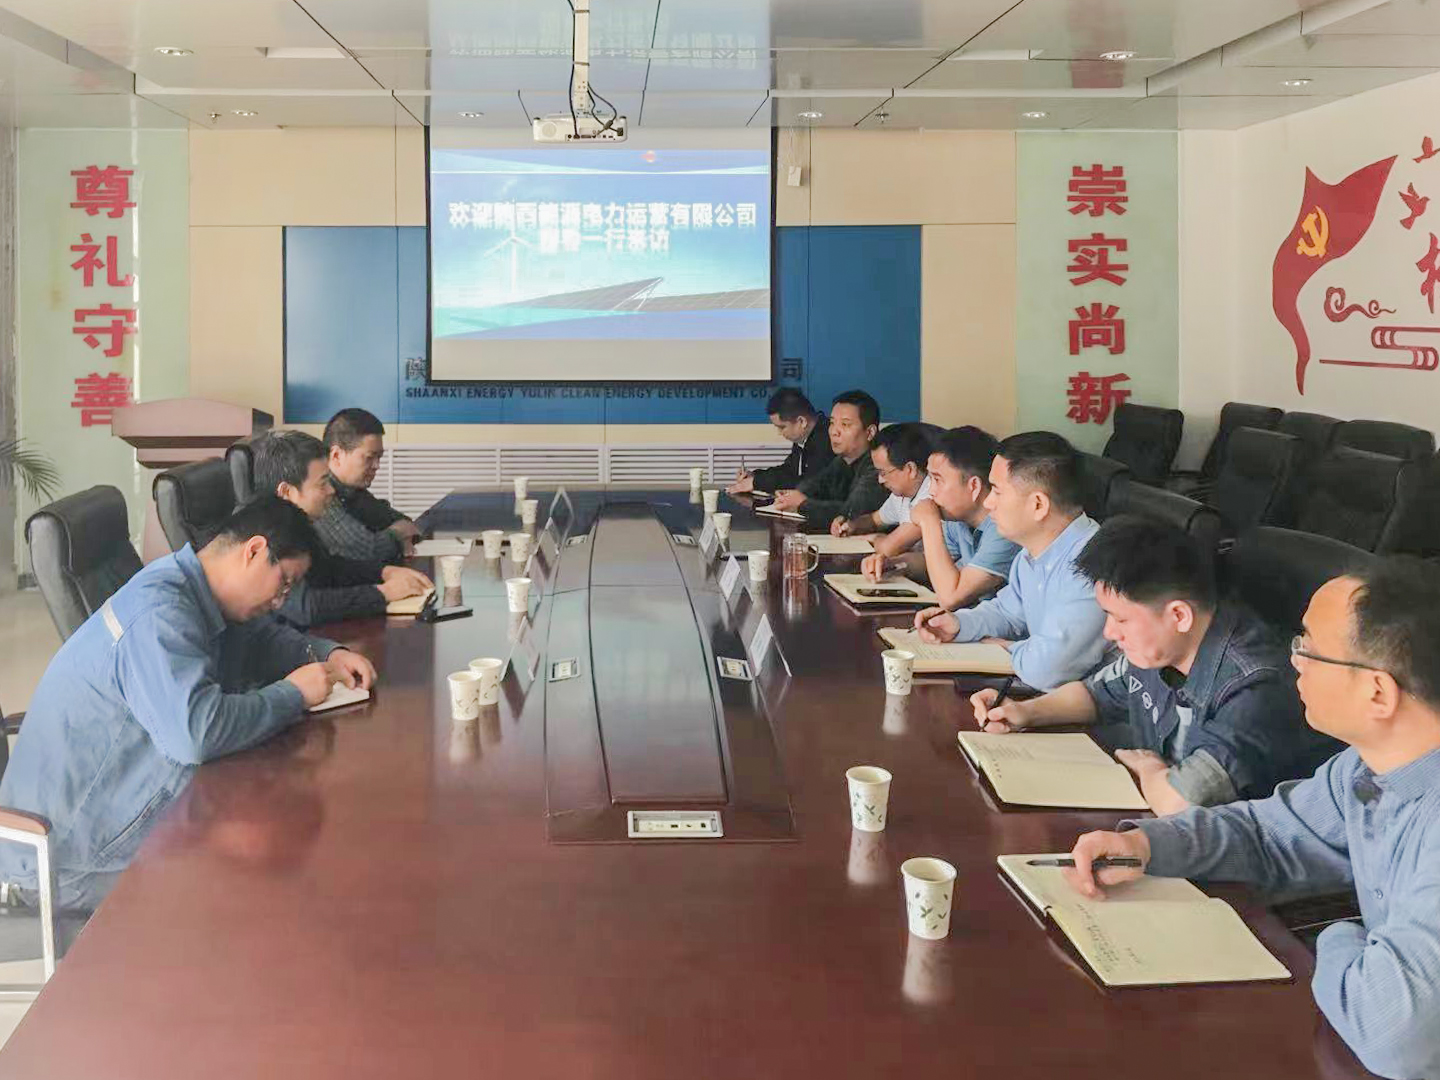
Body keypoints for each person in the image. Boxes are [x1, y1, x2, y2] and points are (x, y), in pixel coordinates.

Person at [1062, 558, 1440, 1080]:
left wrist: (1341, 934)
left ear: (1378, 692)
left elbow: (1392, 1036)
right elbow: (1269, 833)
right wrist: (1148, 846)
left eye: (1307, 648)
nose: (1294, 662)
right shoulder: (1362, 766)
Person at [0, 497, 376, 913]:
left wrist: (324, 653)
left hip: (125, 816)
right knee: (258, 891)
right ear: (253, 550)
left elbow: (260, 639)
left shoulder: (197, 590)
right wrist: (294, 694)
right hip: (66, 859)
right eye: (284, 583)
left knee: (273, 849)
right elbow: (196, 733)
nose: (281, 601)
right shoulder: (160, 613)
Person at [969, 515, 1339, 814]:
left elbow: (1181, 802)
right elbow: (1098, 695)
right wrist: (1025, 712)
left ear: (1178, 615)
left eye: (1121, 619)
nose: (1110, 632)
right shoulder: (1160, 644)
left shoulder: (1253, 686)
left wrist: (1149, 769)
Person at [913, 431, 1105, 690]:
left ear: (1038, 505)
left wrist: (1005, 647)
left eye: (996, 491)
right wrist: (958, 625)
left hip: (1090, 711)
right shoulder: (1030, 553)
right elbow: (1007, 613)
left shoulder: (1093, 563)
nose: (988, 502)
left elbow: (1047, 669)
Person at [253, 430, 431, 627]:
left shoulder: (295, 523)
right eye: (322, 483)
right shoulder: (265, 536)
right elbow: (305, 607)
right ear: (286, 492)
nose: (331, 490)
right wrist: (384, 592)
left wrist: (384, 572)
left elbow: (329, 567)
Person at [862, 425, 1019, 610]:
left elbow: (951, 597)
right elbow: (933, 563)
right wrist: (894, 565)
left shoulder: (1004, 530)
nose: (931, 491)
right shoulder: (958, 519)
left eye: (938, 480)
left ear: (974, 486)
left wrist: (929, 522)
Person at [770, 390, 888, 530]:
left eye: (845, 425)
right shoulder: (843, 459)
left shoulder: (879, 465)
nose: (834, 432)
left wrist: (803, 504)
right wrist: (790, 496)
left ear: (870, 433)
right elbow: (815, 484)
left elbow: (852, 512)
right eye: (832, 423)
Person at [318, 408, 420, 563]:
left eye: (379, 457)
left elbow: (402, 522)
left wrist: (398, 535)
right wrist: (398, 536)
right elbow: (367, 551)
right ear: (336, 455)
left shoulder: (353, 491)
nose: (377, 466)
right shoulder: (320, 492)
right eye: (370, 457)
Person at [832, 423, 934, 557]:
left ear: (910, 469)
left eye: (883, 473)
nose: (880, 480)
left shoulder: (930, 495)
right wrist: (852, 525)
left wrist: (875, 538)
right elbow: (874, 520)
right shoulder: (901, 495)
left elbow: (889, 548)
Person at [729, 389, 834, 495]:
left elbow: (806, 484)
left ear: (802, 421)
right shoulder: (806, 436)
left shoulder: (828, 440)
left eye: (782, 427)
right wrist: (756, 476)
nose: (779, 433)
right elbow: (789, 471)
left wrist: (757, 482)